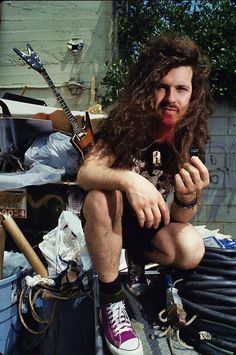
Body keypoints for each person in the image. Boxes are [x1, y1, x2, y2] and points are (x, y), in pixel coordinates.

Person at [77, 34, 211, 355]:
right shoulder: (124, 123)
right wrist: (129, 180)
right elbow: (86, 174)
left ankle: (135, 270)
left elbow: (180, 217)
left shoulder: (189, 136)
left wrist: (187, 197)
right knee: (101, 194)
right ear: (146, 87)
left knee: (191, 246)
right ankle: (111, 299)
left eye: (181, 88)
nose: (171, 98)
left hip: (147, 227)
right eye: (162, 86)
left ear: (193, 93)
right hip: (111, 224)